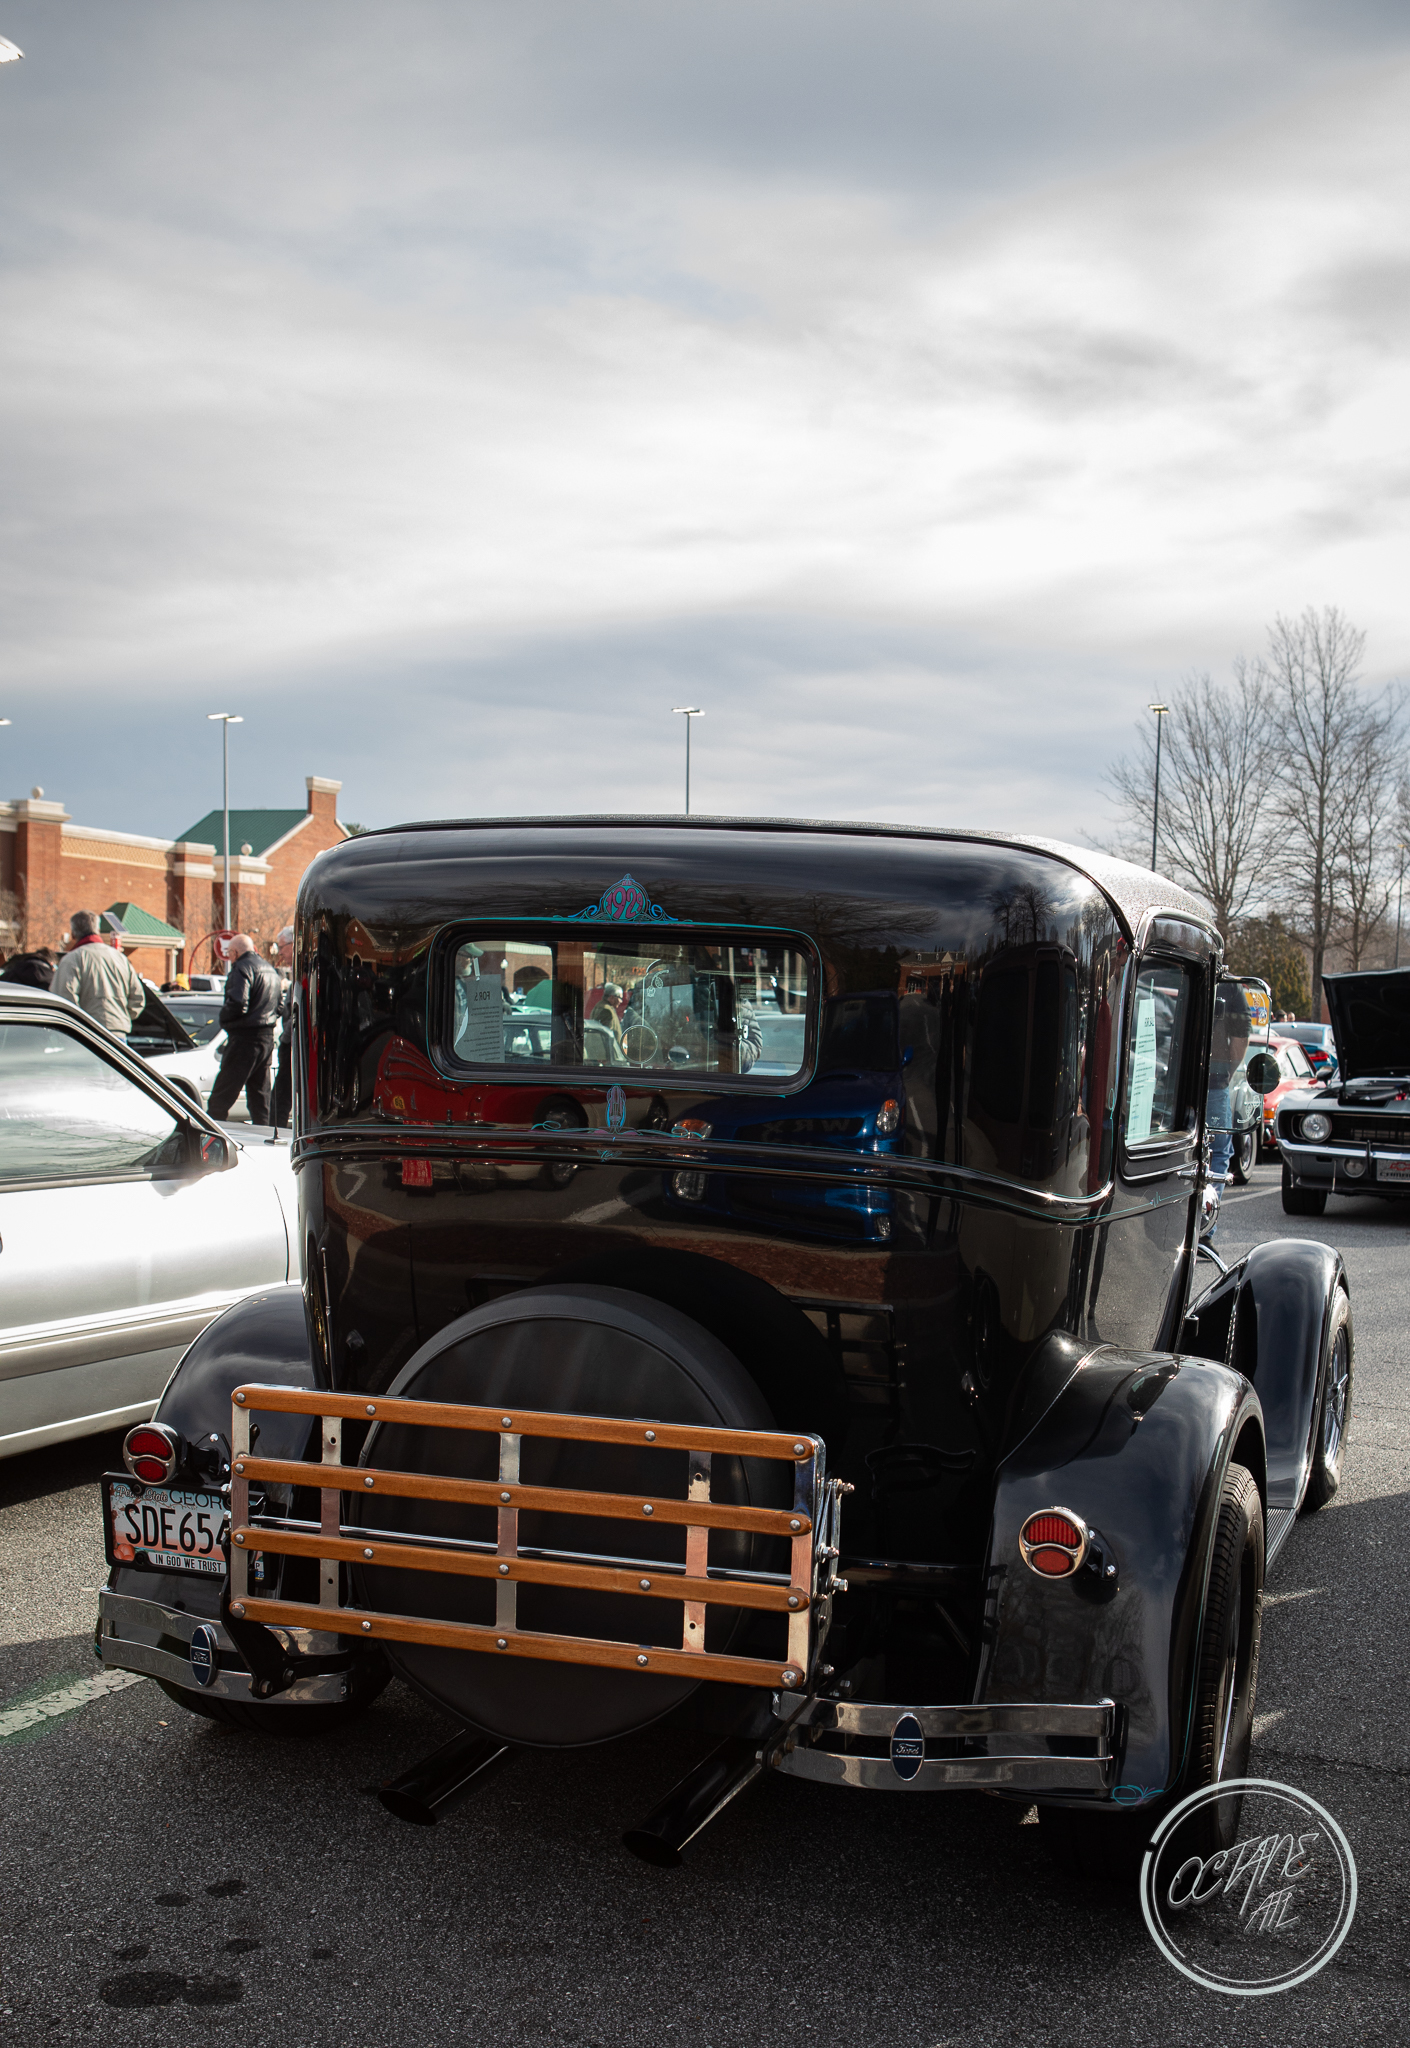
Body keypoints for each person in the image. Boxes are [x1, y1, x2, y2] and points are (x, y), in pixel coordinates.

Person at [208, 933, 283, 1124]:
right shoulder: (270, 970)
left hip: (244, 1039)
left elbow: (238, 1003)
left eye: (229, 953)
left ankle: (210, 1136)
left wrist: (224, 1020)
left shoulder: (241, 968)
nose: (229, 957)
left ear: (234, 952)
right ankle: (264, 1136)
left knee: (221, 1097)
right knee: (260, 1098)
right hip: (266, 1038)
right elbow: (280, 1006)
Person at [52, 913, 147, 1034]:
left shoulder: (72, 959)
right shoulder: (120, 958)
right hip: (118, 1032)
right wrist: (120, 1017)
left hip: (87, 1033)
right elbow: (138, 998)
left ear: (73, 934)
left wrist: (80, 1022)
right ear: (98, 930)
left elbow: (63, 998)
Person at [270, 928, 295, 1130]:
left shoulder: (305, 973)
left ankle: (275, 1131)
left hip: (293, 1044)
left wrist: (286, 1040)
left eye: (282, 947)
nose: (280, 952)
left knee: (281, 1096)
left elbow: (295, 1012)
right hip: (291, 1042)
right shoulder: (297, 972)